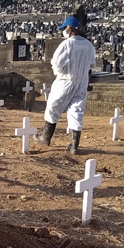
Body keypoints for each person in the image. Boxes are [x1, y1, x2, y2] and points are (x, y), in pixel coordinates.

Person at [34, 16, 97, 154]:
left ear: (70, 28)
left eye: (64, 28)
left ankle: (46, 137)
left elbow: (56, 63)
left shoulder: (67, 44)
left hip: (66, 80)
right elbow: (92, 64)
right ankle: (75, 145)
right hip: (82, 82)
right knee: (77, 111)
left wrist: (60, 72)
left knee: (53, 106)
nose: (63, 30)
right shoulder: (88, 45)